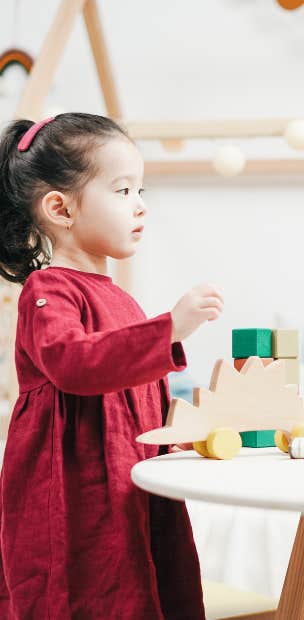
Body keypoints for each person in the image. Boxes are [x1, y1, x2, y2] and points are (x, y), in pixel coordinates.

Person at [0, 113, 224, 618]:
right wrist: (170, 329)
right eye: (123, 191)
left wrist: (188, 437)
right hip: (77, 494)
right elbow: (75, 364)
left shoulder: (121, 300)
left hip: (133, 484)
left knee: (151, 585)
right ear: (60, 208)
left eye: (140, 190)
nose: (141, 205)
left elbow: (140, 399)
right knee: (88, 593)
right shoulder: (48, 290)